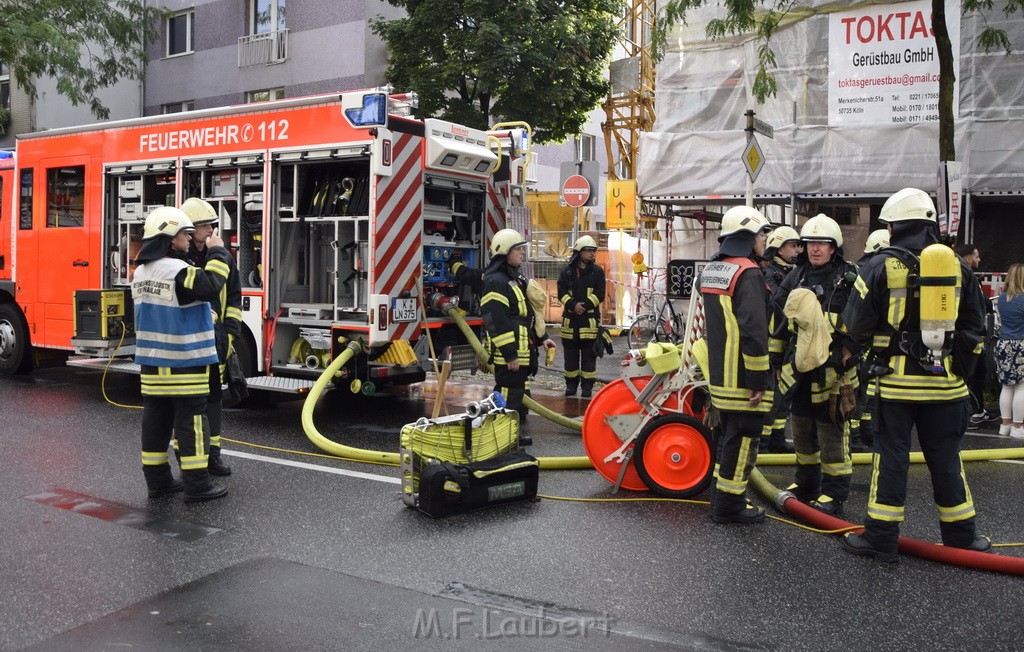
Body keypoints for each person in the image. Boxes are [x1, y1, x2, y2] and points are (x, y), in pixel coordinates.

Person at [839, 188, 990, 562]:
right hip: (947, 387)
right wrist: (958, 372)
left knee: (891, 459)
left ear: (894, 227)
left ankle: (881, 538)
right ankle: (962, 539)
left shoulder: (878, 266)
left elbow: (855, 326)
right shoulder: (957, 266)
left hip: (895, 385)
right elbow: (976, 327)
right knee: (947, 459)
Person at [133, 206, 232, 502]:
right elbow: (211, 285)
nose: (189, 239)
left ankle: (159, 482)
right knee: (192, 425)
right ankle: (198, 485)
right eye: (184, 234)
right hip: (184, 364)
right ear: (169, 238)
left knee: (156, 422)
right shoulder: (176, 271)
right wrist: (218, 252)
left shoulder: (140, 272)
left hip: (153, 364)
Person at [769, 214, 858, 516]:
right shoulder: (796, 277)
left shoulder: (849, 277)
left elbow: (863, 320)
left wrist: (850, 349)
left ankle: (834, 492)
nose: (815, 249)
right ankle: (806, 484)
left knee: (831, 429)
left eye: (822, 243)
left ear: (834, 248)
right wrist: (777, 360)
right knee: (803, 426)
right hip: (800, 369)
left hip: (834, 370)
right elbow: (781, 320)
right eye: (810, 243)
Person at [700, 206, 773, 524]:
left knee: (727, 437)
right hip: (743, 378)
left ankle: (720, 498)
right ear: (746, 237)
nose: (764, 241)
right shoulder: (749, 273)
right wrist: (759, 379)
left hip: (719, 375)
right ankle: (730, 507)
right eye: (761, 234)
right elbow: (755, 331)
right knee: (743, 440)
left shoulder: (714, 270)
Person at [179, 197, 243, 476]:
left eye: (212, 225)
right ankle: (189, 456)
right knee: (191, 404)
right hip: (189, 345)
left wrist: (230, 335)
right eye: (205, 226)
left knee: (215, 400)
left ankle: (213, 455)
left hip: (216, 342)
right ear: (190, 231)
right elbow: (204, 288)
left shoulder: (223, 256)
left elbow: (234, 298)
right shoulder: (179, 260)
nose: (211, 231)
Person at [480, 229, 556, 445]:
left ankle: (513, 433)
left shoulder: (514, 278)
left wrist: (543, 338)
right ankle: (502, 436)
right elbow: (497, 321)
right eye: (518, 249)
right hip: (511, 351)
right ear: (504, 252)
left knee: (517, 392)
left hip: (523, 348)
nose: (522, 252)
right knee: (507, 390)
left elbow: (527, 314)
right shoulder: (496, 282)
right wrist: (510, 354)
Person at [847, 228, 891, 453]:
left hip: (870, 347)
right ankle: (854, 437)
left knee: (866, 397)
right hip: (861, 347)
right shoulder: (867, 275)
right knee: (858, 396)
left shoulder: (866, 272)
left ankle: (864, 434)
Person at [759, 225, 801, 453]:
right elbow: (780, 303)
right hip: (772, 343)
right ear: (778, 248)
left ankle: (776, 438)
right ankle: (763, 442)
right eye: (792, 246)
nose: (797, 250)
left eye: (798, 245)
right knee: (773, 395)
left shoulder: (793, 272)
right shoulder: (769, 274)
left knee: (786, 394)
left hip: (789, 342)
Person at [557, 235, 605, 398]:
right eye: (589, 251)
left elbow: (600, 294)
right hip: (570, 322)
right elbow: (561, 293)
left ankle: (586, 388)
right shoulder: (567, 271)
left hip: (588, 322)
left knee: (588, 359)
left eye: (593, 251)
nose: (592, 254)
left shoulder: (597, 272)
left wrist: (583, 306)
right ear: (579, 252)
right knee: (570, 359)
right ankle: (571, 386)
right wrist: (572, 305)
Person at [957, 243, 999, 428]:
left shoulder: (963, 275)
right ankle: (972, 412)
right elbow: (975, 306)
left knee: (976, 375)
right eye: (976, 256)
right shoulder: (964, 276)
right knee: (972, 375)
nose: (979, 259)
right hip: (967, 338)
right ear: (967, 259)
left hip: (966, 337)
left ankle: (977, 410)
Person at [994, 263, 1024, 439]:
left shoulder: (1002, 298)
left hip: (1003, 344)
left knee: (1006, 386)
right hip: (1021, 344)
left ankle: (1005, 425)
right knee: (1021, 388)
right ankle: (1018, 427)